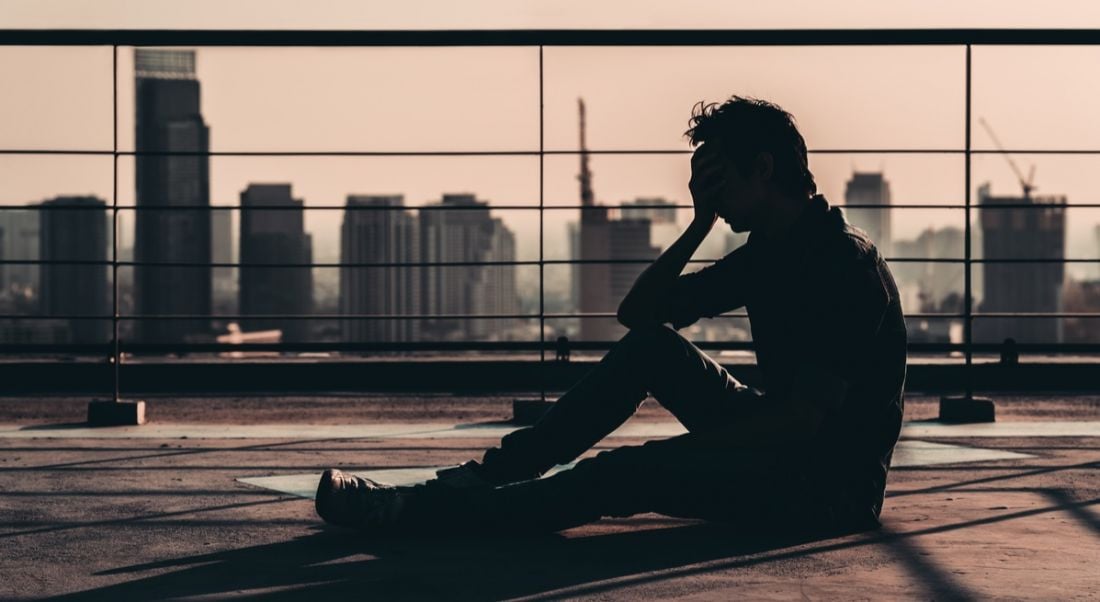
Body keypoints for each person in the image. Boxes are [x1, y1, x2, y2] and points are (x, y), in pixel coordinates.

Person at [315, 96, 907, 536]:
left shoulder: (842, 264)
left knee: (625, 472)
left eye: (716, 178)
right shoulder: (770, 252)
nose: (707, 190)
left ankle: (416, 513)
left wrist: (680, 455)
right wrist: (700, 223)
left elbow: (807, 420)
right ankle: (489, 476)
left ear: (763, 168)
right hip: (781, 441)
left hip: (825, 487)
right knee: (653, 350)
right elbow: (640, 316)